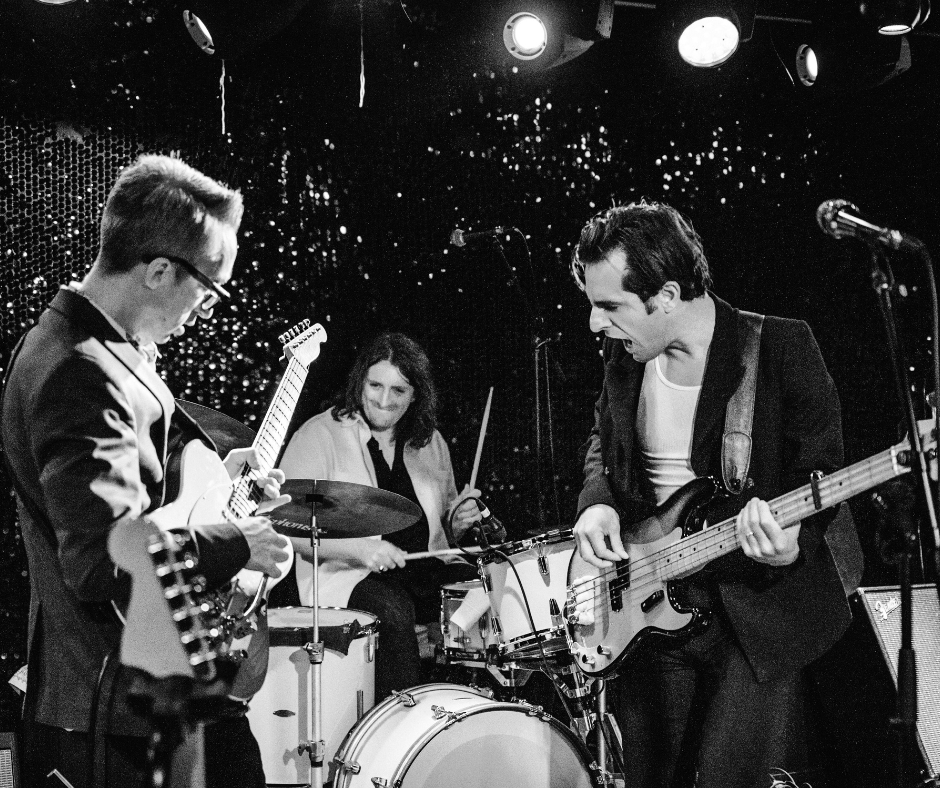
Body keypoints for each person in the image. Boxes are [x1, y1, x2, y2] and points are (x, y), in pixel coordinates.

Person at [1, 154, 291, 788]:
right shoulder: (78, 369)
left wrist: (216, 480)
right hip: (111, 705)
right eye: (209, 290)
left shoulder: (100, 344)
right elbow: (100, 561)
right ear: (159, 270)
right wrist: (237, 542)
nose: (206, 311)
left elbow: (130, 491)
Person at [569, 201, 863, 788]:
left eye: (610, 306)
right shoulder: (625, 353)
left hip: (752, 616)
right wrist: (596, 499)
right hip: (649, 610)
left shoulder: (779, 346)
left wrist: (793, 542)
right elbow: (604, 436)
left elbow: (821, 471)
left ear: (667, 296)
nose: (596, 324)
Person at [279, 332, 488, 698]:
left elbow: (440, 531)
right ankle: (402, 721)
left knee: (486, 586)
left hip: (422, 571)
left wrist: (456, 523)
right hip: (348, 576)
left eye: (399, 390)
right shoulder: (320, 433)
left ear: (416, 394)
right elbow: (284, 527)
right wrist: (360, 549)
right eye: (375, 385)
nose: (384, 400)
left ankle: (476, 710)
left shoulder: (430, 441)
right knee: (391, 610)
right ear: (360, 381)